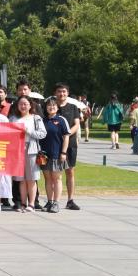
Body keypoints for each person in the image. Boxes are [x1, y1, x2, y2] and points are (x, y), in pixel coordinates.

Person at [11, 96, 46, 213]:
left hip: (32, 150)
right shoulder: (13, 119)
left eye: (25, 104)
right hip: (17, 150)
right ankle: (23, 203)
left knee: (31, 178)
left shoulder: (36, 118)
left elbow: (43, 133)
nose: (23, 106)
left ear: (30, 105)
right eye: (21, 104)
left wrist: (28, 131)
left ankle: (31, 204)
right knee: (21, 179)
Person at [40, 97, 70, 213]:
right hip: (44, 155)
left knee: (57, 178)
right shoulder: (42, 120)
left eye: (53, 105)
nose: (51, 107)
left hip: (57, 154)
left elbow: (66, 137)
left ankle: (56, 203)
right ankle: (49, 201)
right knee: (47, 178)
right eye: (49, 105)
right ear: (45, 107)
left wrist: (63, 152)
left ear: (57, 108)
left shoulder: (61, 120)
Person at [54, 83, 81, 211]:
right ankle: (53, 201)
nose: (62, 94)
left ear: (67, 93)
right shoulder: (51, 106)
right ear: (55, 93)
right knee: (54, 173)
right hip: (54, 143)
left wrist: (67, 134)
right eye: (59, 91)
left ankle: (70, 200)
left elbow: (77, 124)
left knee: (70, 171)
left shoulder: (73, 107)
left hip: (70, 143)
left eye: (64, 91)